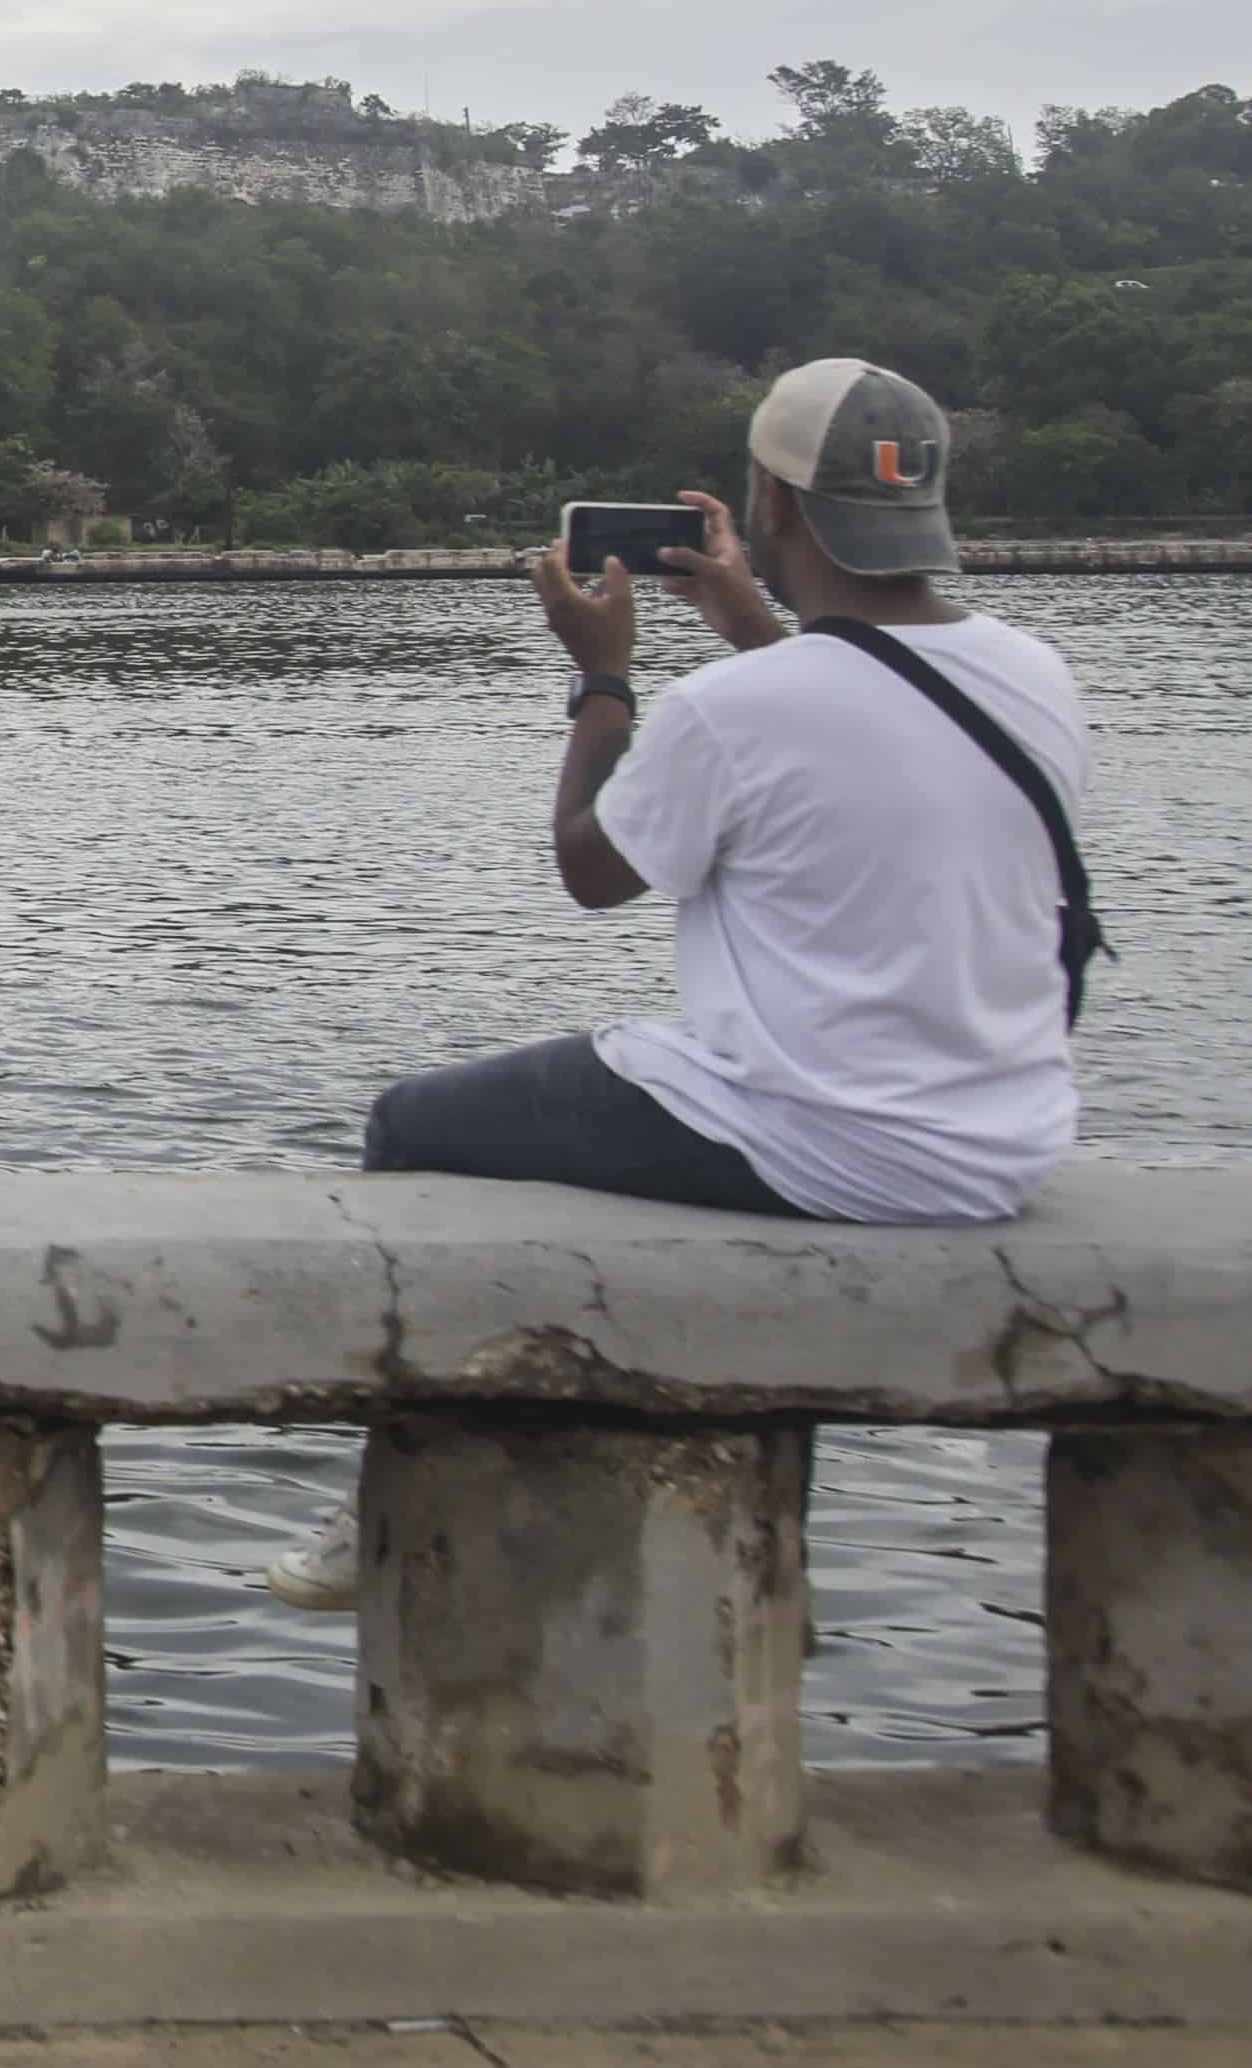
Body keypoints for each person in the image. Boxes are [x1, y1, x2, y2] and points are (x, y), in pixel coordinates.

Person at [264, 356, 1096, 1604]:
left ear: (767, 504)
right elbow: (860, 716)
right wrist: (753, 623)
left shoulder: (734, 707)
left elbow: (592, 868)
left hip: (828, 1141)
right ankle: (776, 1563)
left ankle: (388, 1497)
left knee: (410, 1126)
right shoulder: (1033, 671)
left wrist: (599, 674)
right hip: (1000, 1142)